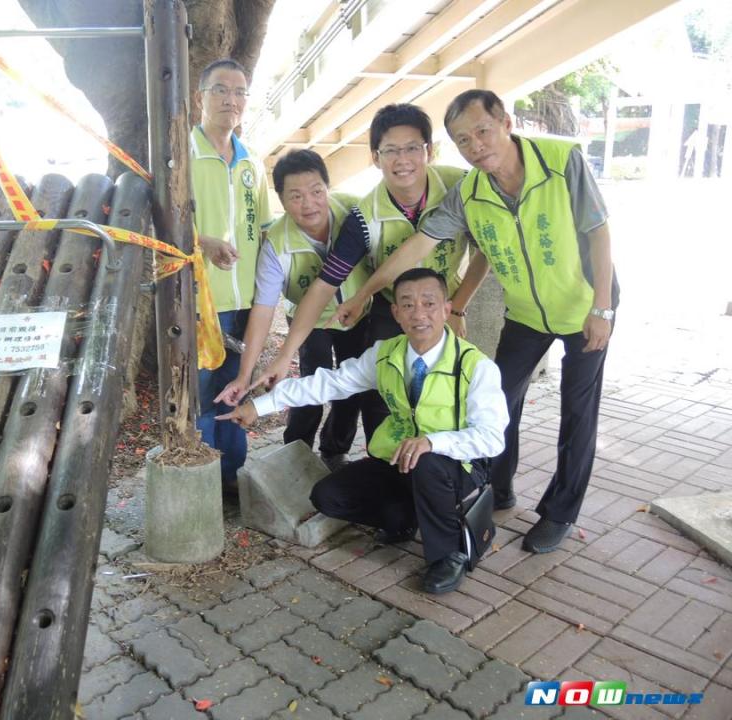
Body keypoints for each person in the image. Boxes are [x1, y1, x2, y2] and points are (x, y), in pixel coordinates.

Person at [328, 89, 619, 554]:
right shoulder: (471, 192)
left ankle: (559, 512)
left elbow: (597, 231)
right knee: (499, 397)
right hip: (525, 312)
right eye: (463, 140)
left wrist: (602, 307)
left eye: (482, 131)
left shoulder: (562, 161)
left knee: (578, 412)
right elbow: (417, 247)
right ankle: (497, 487)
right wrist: (364, 293)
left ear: (504, 121)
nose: (476, 145)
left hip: (585, 306)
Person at [218, 269, 507, 594]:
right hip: (398, 459)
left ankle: (448, 554)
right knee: (328, 497)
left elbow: (492, 438)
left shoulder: (475, 366)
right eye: (408, 305)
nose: (419, 314)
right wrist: (260, 406)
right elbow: (330, 383)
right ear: (396, 313)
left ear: (445, 309)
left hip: (457, 465)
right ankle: (403, 518)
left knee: (427, 464)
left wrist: (432, 442)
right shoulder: (385, 354)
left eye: (429, 303)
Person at [251, 104, 490, 437]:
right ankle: (380, 465)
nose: (402, 160)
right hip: (389, 307)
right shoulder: (363, 216)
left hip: (447, 306)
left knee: (449, 384)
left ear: (429, 151)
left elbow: (486, 250)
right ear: (376, 158)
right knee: (380, 387)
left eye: (412, 148)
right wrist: (284, 355)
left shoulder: (461, 187)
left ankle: (440, 462)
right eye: (390, 150)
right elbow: (325, 284)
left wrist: (458, 307)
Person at [214, 149, 373, 471]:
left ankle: (335, 449)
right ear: (282, 202)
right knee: (308, 384)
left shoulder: (356, 211)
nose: (309, 203)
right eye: (296, 196)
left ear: (328, 188)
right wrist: (245, 375)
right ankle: (295, 452)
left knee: (353, 385)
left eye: (317, 191)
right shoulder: (277, 243)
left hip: (358, 312)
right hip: (307, 320)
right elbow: (263, 309)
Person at [190, 59, 272, 488]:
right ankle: (201, 485)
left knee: (238, 393)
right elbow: (156, 227)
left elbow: (265, 230)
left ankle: (230, 482)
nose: (231, 99)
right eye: (221, 89)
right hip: (200, 302)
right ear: (199, 97)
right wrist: (204, 242)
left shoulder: (252, 165)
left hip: (247, 305)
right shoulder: (180, 157)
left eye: (240, 92)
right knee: (202, 398)